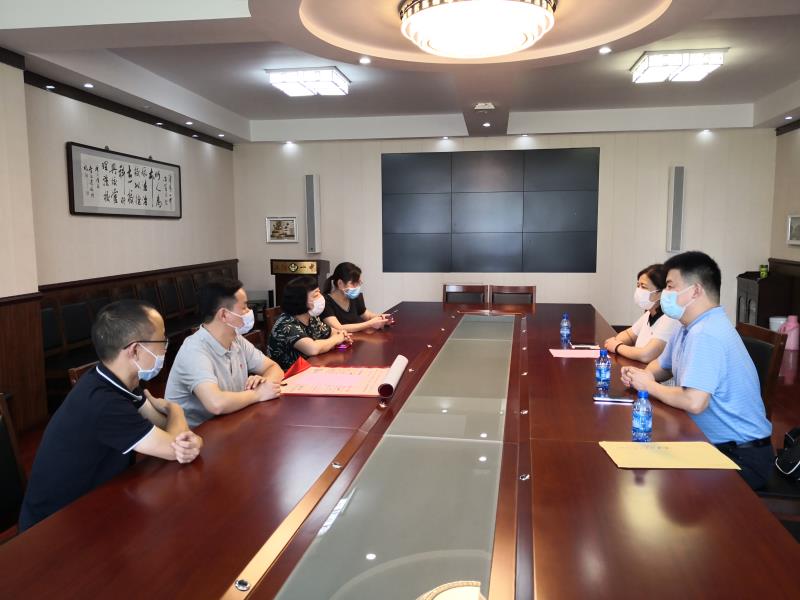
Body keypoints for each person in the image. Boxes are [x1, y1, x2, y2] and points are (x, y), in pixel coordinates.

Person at [19, 300, 203, 531]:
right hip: (54, 527)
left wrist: (179, 429)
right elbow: (176, 448)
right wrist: (176, 409)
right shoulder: (102, 401)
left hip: (96, 503)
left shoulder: (118, 380)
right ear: (135, 350)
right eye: (161, 341)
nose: (166, 347)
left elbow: (168, 431)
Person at [620, 251, 773, 489]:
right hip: (708, 444)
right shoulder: (686, 326)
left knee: (655, 484)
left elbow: (694, 401)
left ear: (695, 291)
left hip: (739, 457)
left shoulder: (707, 332)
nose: (665, 294)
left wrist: (648, 386)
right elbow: (662, 366)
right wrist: (642, 375)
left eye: (670, 287)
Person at [166, 278, 283, 428]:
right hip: (196, 434)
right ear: (224, 315)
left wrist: (264, 382)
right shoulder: (194, 350)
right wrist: (258, 394)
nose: (249, 312)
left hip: (231, 422)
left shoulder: (236, 339)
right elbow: (216, 404)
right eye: (244, 307)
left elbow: (274, 368)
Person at [268, 276, 350, 370]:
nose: (321, 298)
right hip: (289, 376)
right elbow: (312, 349)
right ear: (300, 300)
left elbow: (333, 332)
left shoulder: (311, 318)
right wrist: (337, 339)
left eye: (319, 293)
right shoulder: (286, 325)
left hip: (309, 369)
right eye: (315, 295)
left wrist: (341, 335)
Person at [603, 264, 679, 363]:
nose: (639, 290)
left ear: (660, 293)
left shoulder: (670, 318)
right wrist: (615, 341)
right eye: (638, 285)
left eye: (643, 287)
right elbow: (629, 335)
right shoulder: (649, 314)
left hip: (652, 372)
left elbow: (646, 355)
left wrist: (617, 346)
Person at [320, 262, 389, 333]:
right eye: (353, 284)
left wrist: (381, 318)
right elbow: (338, 328)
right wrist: (370, 324)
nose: (357, 287)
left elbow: (367, 316)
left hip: (358, 337)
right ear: (340, 283)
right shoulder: (324, 302)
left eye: (358, 283)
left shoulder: (355, 297)